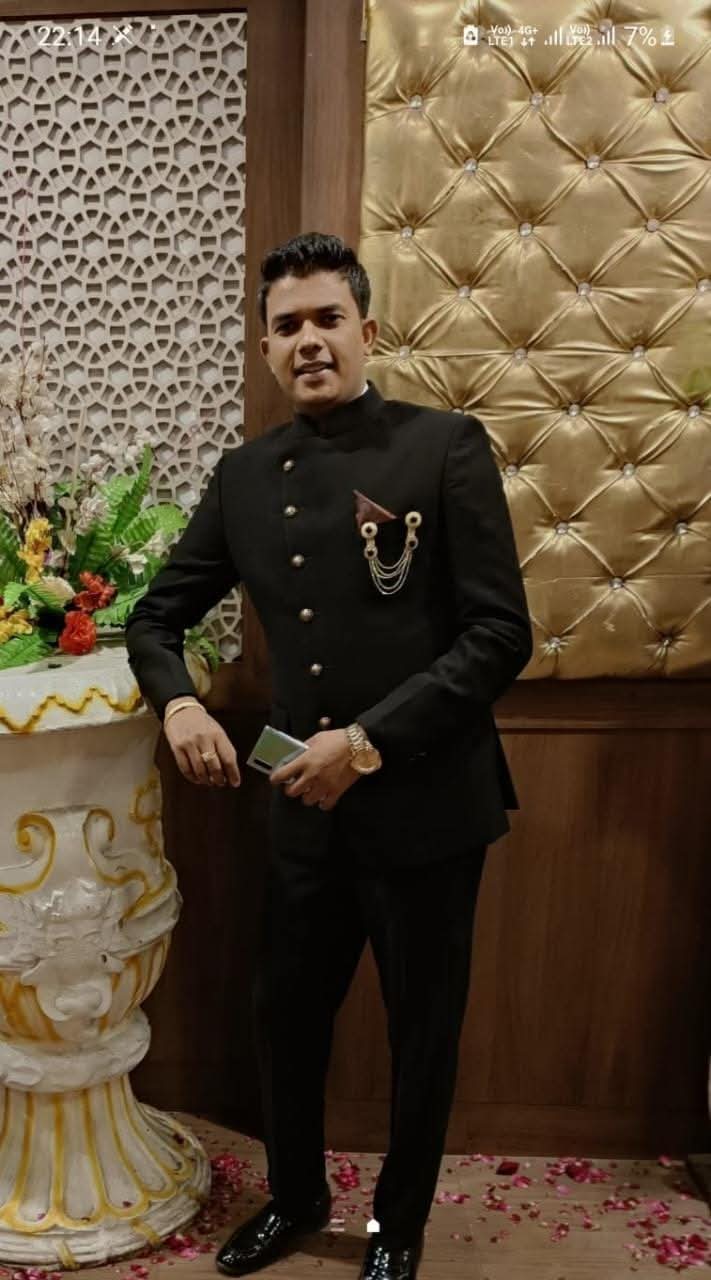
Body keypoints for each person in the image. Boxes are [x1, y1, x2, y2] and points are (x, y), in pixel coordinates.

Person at [124, 232, 532, 1280]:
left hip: (429, 803)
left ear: (366, 330)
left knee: (421, 1030)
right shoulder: (243, 477)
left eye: (326, 318)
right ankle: (297, 1197)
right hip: (302, 808)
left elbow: (499, 635)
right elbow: (155, 619)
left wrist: (367, 741)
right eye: (287, 326)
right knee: (286, 1017)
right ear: (265, 348)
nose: (308, 340)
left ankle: (397, 1227)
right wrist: (179, 706)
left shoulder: (444, 446)